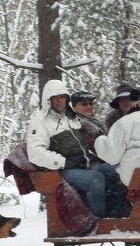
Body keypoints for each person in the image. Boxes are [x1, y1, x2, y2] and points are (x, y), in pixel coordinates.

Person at [26, 79, 130, 218]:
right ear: (47, 100)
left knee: (118, 171)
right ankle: (98, 220)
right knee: (95, 179)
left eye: (62, 97)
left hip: (85, 165)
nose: (59, 101)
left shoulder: (71, 118)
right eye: (55, 97)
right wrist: (64, 162)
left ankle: (118, 214)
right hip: (63, 170)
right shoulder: (40, 122)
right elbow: (35, 152)